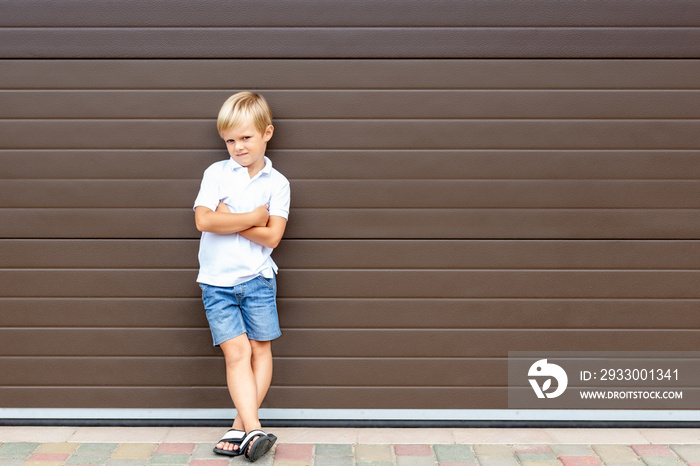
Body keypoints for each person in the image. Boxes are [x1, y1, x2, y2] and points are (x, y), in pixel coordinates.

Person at [193, 92, 290, 462]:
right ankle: (254, 430)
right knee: (237, 353)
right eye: (230, 140)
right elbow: (204, 220)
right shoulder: (216, 173)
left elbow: (272, 237)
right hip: (216, 282)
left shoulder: (277, 183)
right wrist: (252, 217)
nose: (238, 146)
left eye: (246, 138)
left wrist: (231, 217)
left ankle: (241, 425)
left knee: (260, 349)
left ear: (267, 133)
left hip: (257, 280)